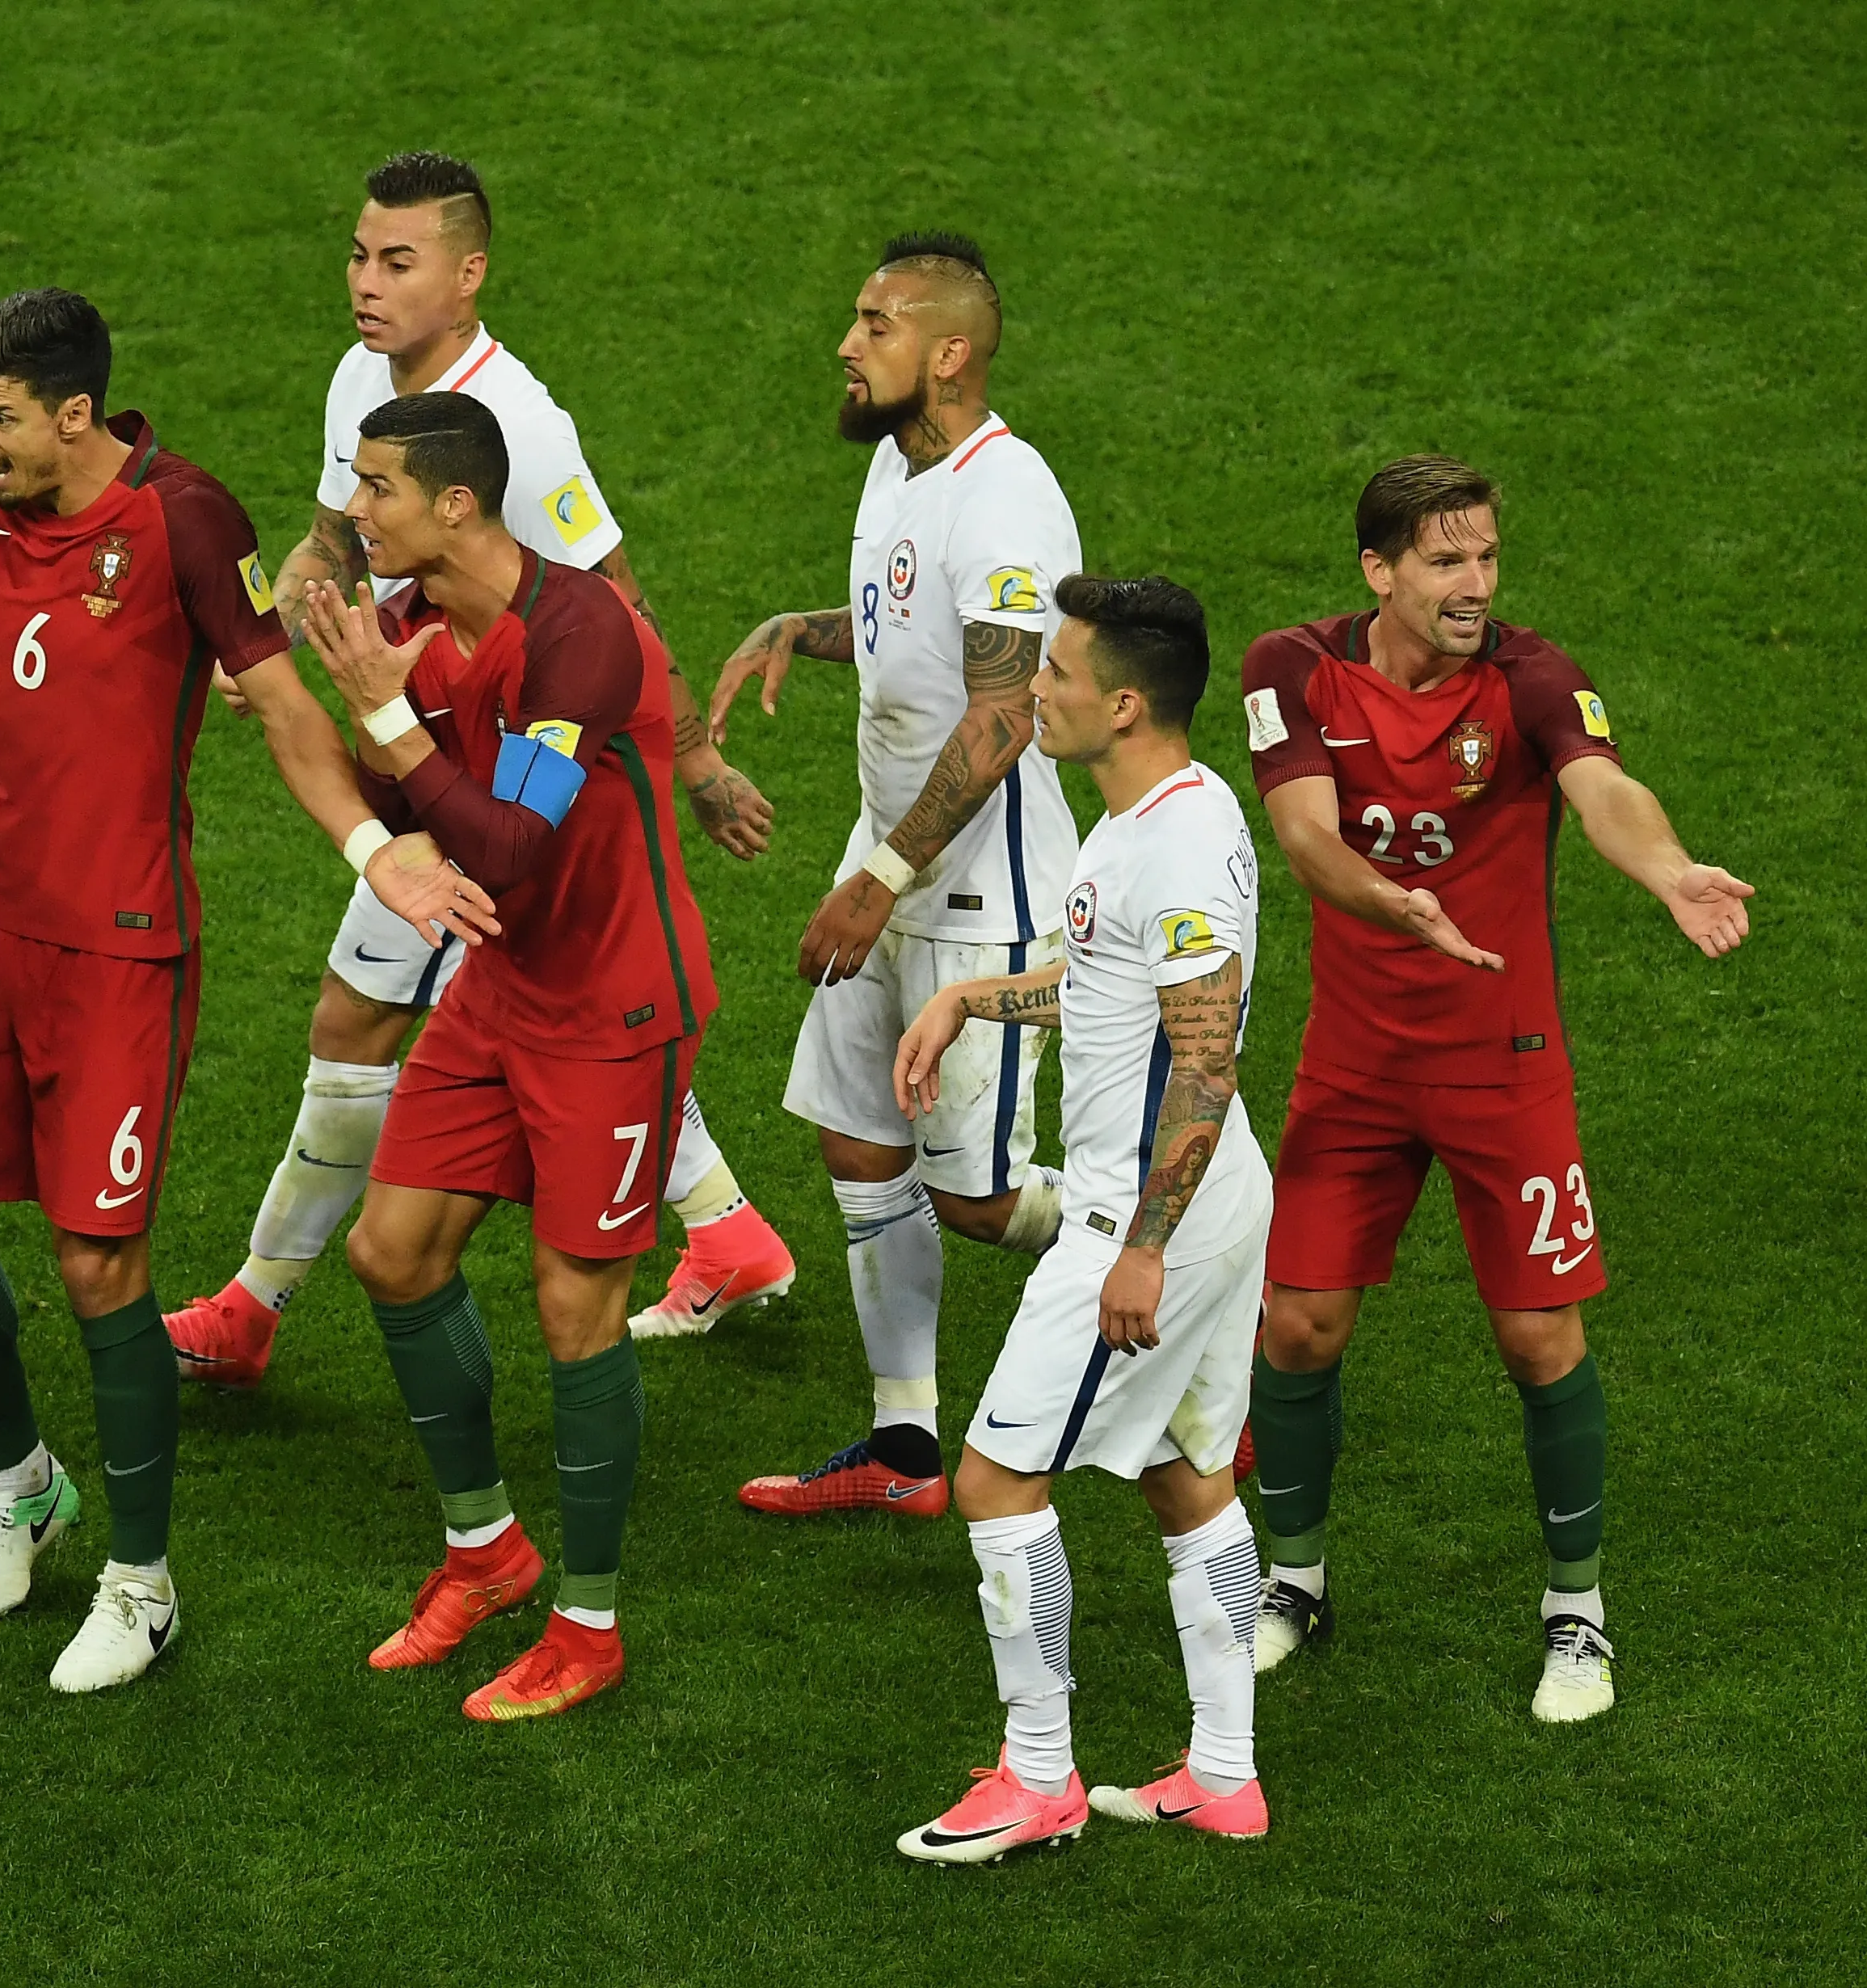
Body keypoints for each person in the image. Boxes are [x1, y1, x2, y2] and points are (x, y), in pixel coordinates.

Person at [0, 290, 491, 1695]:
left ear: (74, 413)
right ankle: (22, 1483)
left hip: (118, 949)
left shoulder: (184, 519)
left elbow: (272, 697)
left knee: (97, 1262)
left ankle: (142, 1585)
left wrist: (375, 846)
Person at [166, 150, 791, 1388]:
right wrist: (278, 640)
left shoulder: (522, 427)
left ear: (468, 273)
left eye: (397, 262)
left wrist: (698, 761)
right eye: (357, 254)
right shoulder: (362, 378)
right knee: (428, 1018)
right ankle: (726, 1232)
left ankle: (254, 1305)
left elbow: (608, 604)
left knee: (454, 1019)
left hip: (501, 778)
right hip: (426, 736)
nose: (365, 282)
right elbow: (330, 539)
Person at [1237, 456, 1755, 1722]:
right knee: (1296, 1327)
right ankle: (1292, 1579)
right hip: (1352, 1069)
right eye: (1444, 562)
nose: (1474, 586)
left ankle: (1575, 1612)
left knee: (1537, 1339)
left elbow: (1600, 789)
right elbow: (1305, 833)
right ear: (1378, 570)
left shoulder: (1527, 677)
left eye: (1485, 558)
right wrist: (1394, 907)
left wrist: (1670, 868)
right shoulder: (1289, 668)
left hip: (1501, 1069)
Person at [304, 392, 715, 1721]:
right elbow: (406, 808)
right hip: (501, 991)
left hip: (615, 1010)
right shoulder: (419, 632)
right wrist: (356, 709)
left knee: (573, 1307)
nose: (352, 511)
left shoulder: (584, 636)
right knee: (392, 1251)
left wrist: (388, 719)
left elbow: (512, 846)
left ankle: (587, 1631)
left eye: (373, 489)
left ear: (456, 505)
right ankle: (486, 1554)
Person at [891, 575, 1272, 1864]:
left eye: (1052, 675)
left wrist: (1141, 1250)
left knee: (993, 1478)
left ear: (1122, 702)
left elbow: (1202, 1062)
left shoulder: (1170, 845)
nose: (1031, 691)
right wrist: (970, 1000)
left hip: (1150, 1208)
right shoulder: (1151, 811)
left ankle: (1036, 1773)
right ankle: (1223, 1775)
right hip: (1198, 1197)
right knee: (1184, 1474)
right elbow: (1104, 982)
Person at [708, 233, 1082, 1518]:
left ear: (949, 352)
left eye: (873, 323)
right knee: (859, 1142)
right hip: (894, 865)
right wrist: (792, 630)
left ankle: (1179, 1250)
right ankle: (904, 1446)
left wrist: (875, 880)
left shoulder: (1005, 493)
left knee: (977, 1201)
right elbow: (901, 627)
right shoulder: (893, 466)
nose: (845, 342)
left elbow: (1002, 714)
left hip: (983, 890)